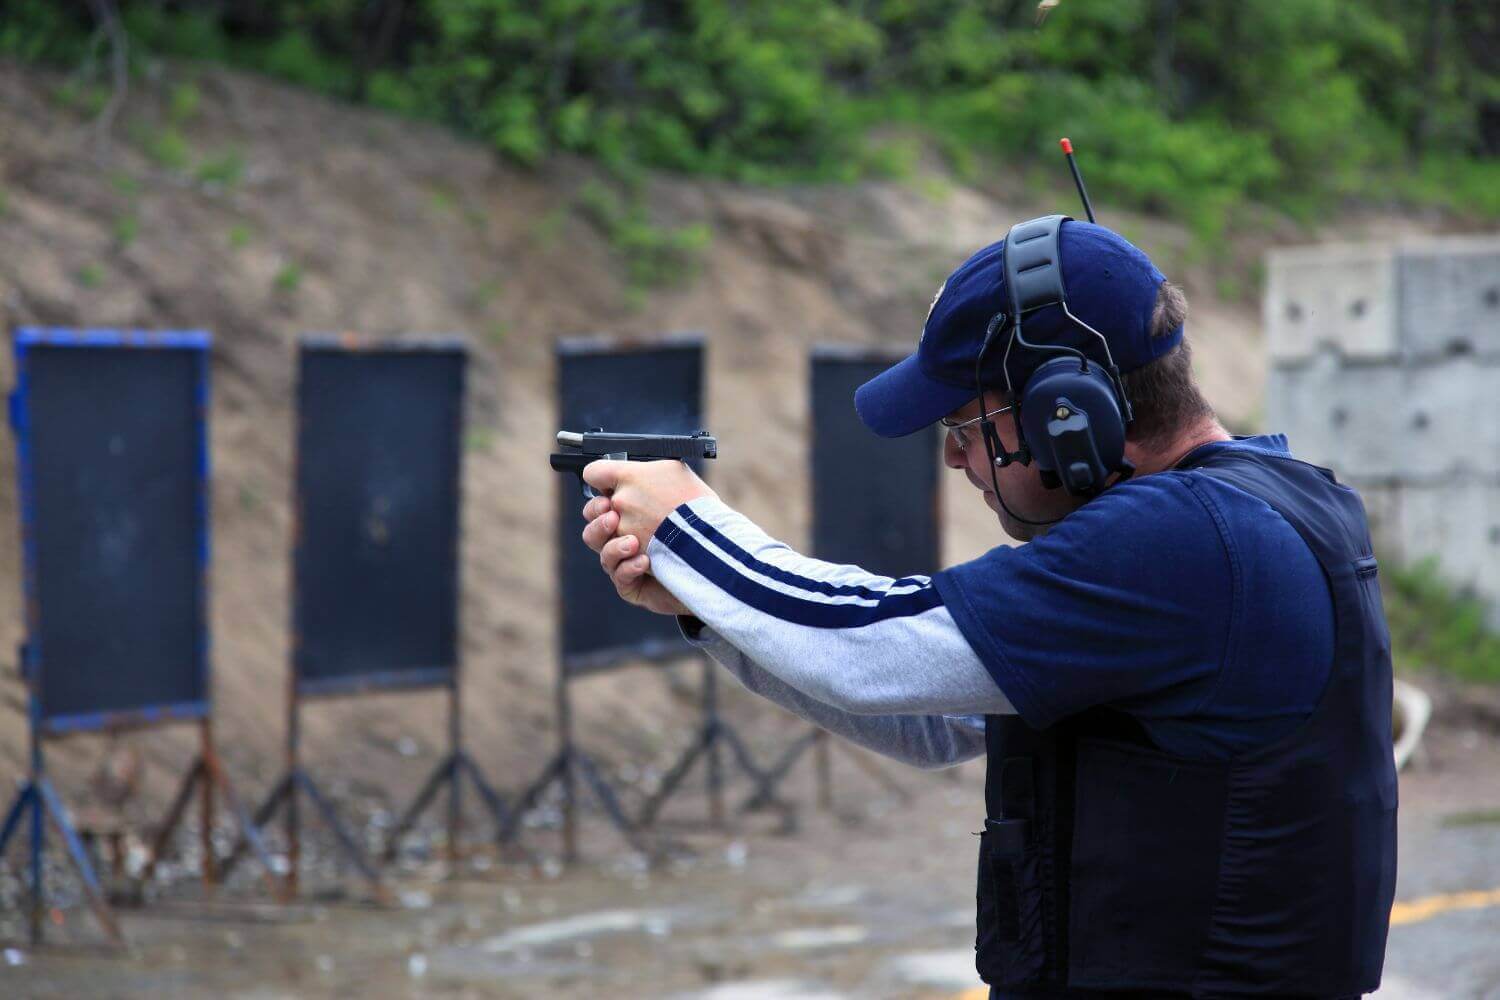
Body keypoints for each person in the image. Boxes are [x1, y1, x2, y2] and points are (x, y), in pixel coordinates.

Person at [577, 220, 1396, 999]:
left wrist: (689, 529)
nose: (953, 453)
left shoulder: (1187, 540)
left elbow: (875, 643)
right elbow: (934, 718)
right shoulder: (1254, 512)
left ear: (1065, 410)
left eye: (967, 421)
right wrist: (704, 608)